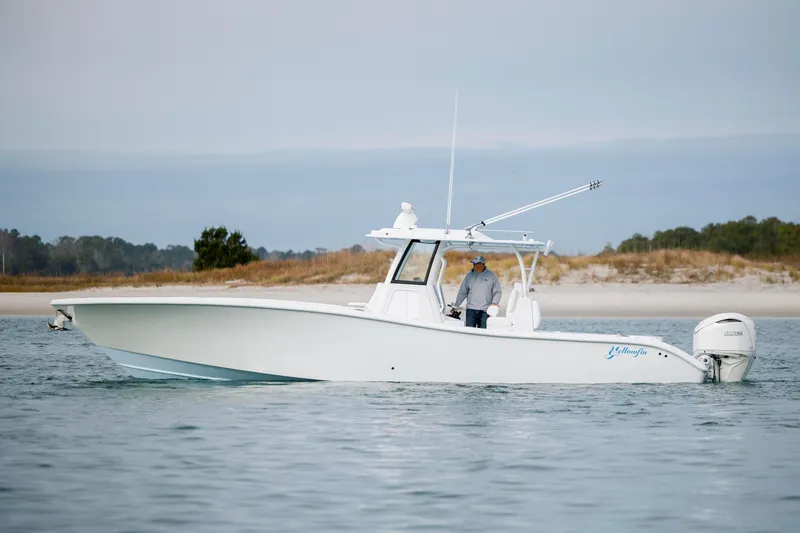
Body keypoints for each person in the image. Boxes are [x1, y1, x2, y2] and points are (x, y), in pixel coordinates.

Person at [454, 255, 502, 329]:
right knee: (470, 332)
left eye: (477, 263)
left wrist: (495, 303)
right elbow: (462, 292)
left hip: (485, 310)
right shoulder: (469, 276)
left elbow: (498, 291)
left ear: (483, 264)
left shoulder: (491, 275)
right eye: (474, 263)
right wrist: (456, 305)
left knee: (483, 333)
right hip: (471, 310)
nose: (475, 265)